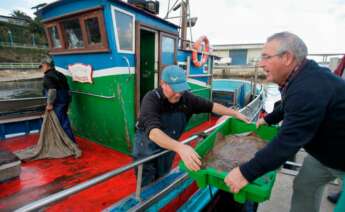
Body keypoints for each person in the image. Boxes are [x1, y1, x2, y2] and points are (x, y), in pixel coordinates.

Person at [224, 32, 345, 212]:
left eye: (266, 57)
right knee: (305, 186)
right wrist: (268, 119)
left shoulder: (308, 88)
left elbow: (288, 141)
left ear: (287, 58)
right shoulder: (300, 77)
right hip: (325, 155)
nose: (261, 63)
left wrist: (245, 173)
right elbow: (289, 105)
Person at [133, 65, 250, 186]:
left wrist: (235, 113)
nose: (178, 94)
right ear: (163, 84)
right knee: (146, 180)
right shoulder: (151, 99)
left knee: (163, 175)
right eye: (174, 89)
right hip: (147, 147)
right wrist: (180, 148)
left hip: (169, 147)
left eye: (181, 89)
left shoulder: (187, 99)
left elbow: (212, 106)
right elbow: (153, 133)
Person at [40, 58, 76, 143]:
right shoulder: (60, 74)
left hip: (57, 102)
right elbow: (68, 91)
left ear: (46, 65)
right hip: (65, 100)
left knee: (61, 123)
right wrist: (69, 103)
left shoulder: (47, 77)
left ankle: (70, 143)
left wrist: (49, 104)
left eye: (42, 66)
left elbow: (52, 90)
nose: (42, 68)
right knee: (64, 121)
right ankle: (67, 141)